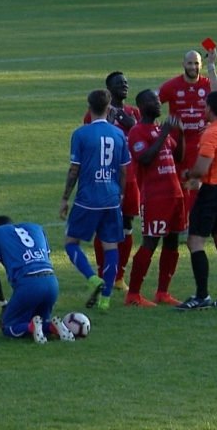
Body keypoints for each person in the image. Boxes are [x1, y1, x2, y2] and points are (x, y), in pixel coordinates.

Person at [176, 49, 217, 310]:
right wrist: (212, 68)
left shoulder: (212, 133)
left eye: (205, 105)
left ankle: (201, 295)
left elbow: (202, 169)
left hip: (212, 191)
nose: (202, 107)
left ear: (211, 110)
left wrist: (188, 175)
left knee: (195, 241)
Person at [59, 89, 131, 313]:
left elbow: (74, 170)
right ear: (109, 109)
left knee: (71, 243)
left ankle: (92, 278)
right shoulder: (119, 135)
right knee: (111, 247)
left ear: (88, 108)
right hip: (111, 198)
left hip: (88, 199)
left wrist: (64, 198)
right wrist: (120, 194)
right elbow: (124, 170)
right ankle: (105, 299)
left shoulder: (80, 134)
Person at [124, 89, 185, 307]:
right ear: (141, 105)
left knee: (173, 241)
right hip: (155, 197)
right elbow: (145, 159)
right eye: (153, 100)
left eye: (159, 100)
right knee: (150, 241)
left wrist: (181, 133)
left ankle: (163, 292)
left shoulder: (162, 129)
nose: (159, 103)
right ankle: (133, 295)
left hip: (174, 193)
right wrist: (164, 134)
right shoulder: (136, 132)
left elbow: (179, 157)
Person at [84, 72, 141, 291]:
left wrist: (133, 124)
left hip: (130, 179)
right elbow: (88, 140)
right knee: (103, 228)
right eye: (119, 84)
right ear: (109, 89)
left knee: (126, 228)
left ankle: (119, 277)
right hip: (104, 180)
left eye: (126, 83)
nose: (124, 86)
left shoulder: (134, 113)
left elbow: (144, 137)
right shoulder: (95, 114)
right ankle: (102, 274)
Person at [0, 216, 74, 344]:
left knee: (7, 326)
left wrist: (3, 303)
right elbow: (46, 257)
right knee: (40, 321)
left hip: (28, 285)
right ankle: (52, 327)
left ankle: (31, 326)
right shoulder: (36, 227)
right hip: (51, 282)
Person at [160, 50, 212, 215]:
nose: (193, 67)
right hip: (178, 146)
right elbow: (151, 101)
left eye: (196, 63)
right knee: (178, 184)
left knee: (197, 185)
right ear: (183, 64)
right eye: (189, 63)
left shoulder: (208, 85)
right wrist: (156, 125)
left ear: (201, 65)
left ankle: (193, 223)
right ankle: (180, 221)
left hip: (200, 145)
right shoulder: (172, 86)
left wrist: (211, 125)